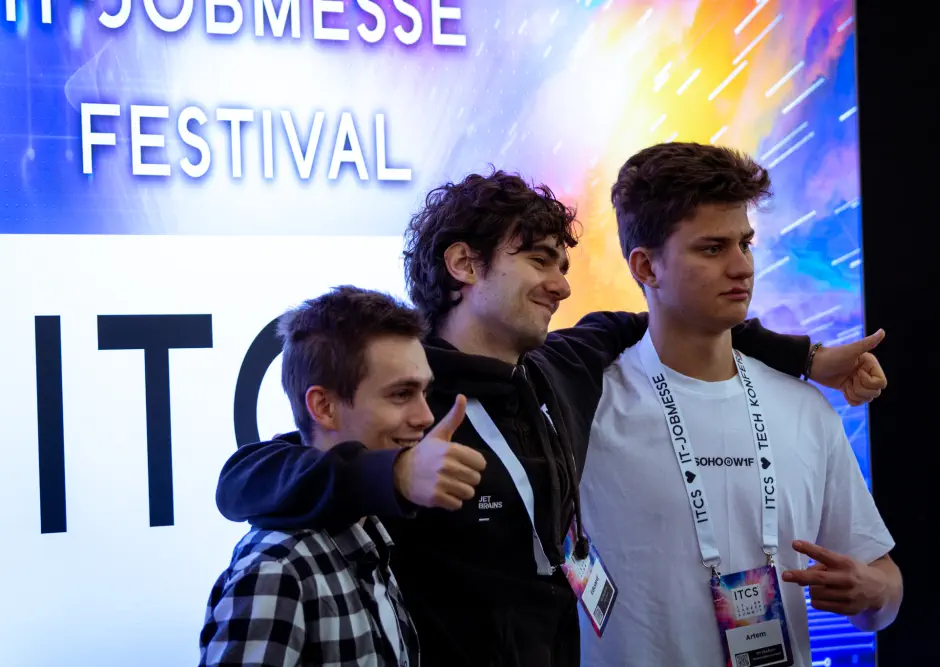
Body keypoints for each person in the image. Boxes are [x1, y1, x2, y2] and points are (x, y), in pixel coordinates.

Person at [213, 170, 888, 667]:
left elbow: (669, 313)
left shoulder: (560, 366)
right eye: (538, 259)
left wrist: (804, 356)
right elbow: (246, 477)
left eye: (563, 265)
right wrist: (395, 473)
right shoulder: (408, 395)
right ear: (464, 264)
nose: (562, 284)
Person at [577, 142, 902, 667]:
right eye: (712, 249)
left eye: (745, 244)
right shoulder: (587, 408)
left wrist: (873, 592)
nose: (741, 267)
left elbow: (885, 585)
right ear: (646, 267)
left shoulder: (805, 408)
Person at [199, 286, 486, 666]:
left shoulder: (369, 537)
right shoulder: (276, 571)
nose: (426, 416)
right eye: (401, 394)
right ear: (324, 407)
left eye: (423, 392)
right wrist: (395, 474)